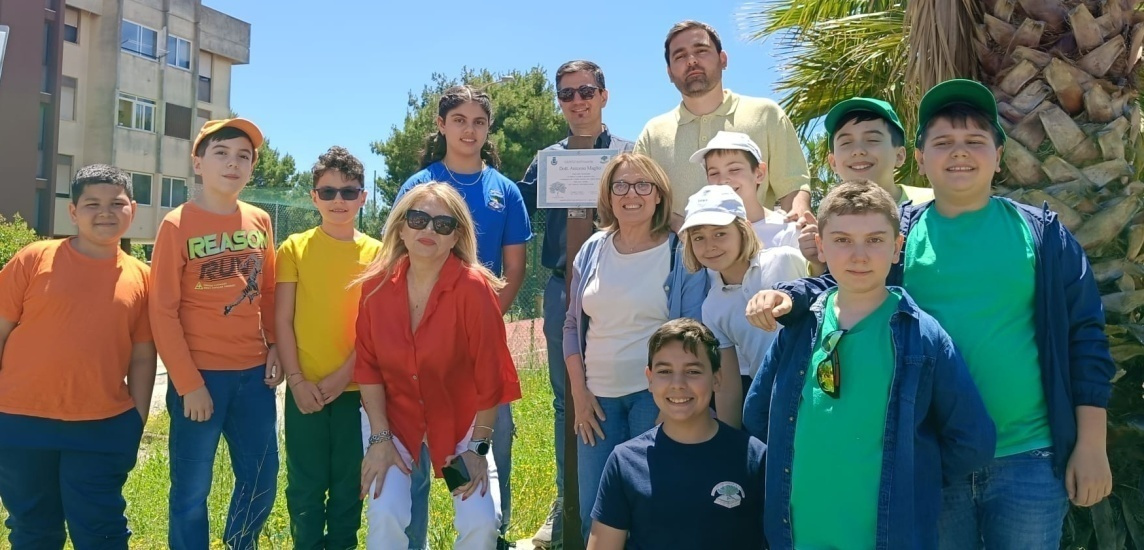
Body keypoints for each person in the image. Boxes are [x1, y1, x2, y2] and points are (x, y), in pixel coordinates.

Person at [747, 80, 1115, 548]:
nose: (958, 153)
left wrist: (1091, 443)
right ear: (920, 158)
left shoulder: (1042, 234)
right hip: (927, 457)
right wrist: (792, 296)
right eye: (942, 142)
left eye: (975, 141)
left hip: (1030, 459)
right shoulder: (901, 234)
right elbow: (848, 279)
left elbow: (1086, 338)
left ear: (998, 156)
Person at [743, 180, 994, 548]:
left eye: (875, 240)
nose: (858, 255)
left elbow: (972, 440)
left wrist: (912, 475)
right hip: (796, 536)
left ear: (897, 248)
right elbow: (758, 414)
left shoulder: (923, 336)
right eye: (842, 240)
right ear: (823, 247)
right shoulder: (799, 329)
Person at [395, 85, 531, 548]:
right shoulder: (418, 186)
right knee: (414, 447)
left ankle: (492, 534)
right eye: (459, 120)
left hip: (479, 347)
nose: (468, 130)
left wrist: (483, 326)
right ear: (441, 125)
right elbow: (397, 261)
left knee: (491, 443)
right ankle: (412, 538)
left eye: (478, 121)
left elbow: (514, 267)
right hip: (419, 351)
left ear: (488, 128)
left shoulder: (505, 190)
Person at [354, 183, 521, 550]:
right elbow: (367, 368)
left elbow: (491, 376)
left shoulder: (475, 289)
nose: (428, 230)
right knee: (385, 513)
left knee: (480, 522)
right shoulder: (374, 287)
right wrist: (379, 439)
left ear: (455, 236)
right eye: (418, 219)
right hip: (394, 421)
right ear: (401, 228)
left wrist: (477, 448)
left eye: (442, 225)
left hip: (460, 421)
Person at [0, 164, 155, 549]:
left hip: (102, 426)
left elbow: (142, 355)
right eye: (92, 203)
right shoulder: (34, 258)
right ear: (73, 212)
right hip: (21, 422)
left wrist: (136, 418)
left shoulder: (142, 277)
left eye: (116, 203)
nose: (105, 212)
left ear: (132, 209)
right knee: (33, 529)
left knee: (101, 531)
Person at [517, 59, 635, 548]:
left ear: (604, 95)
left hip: (623, 284)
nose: (577, 101)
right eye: (567, 94)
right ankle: (567, 505)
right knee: (568, 398)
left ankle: (628, 506)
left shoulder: (630, 155)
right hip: (564, 287)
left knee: (629, 393)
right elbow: (513, 213)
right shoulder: (547, 160)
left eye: (586, 90)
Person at [150, 118, 282, 549]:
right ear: (198, 163)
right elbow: (162, 312)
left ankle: (239, 543)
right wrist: (189, 385)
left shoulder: (260, 220)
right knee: (190, 491)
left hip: (253, 379)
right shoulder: (177, 224)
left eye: (244, 156)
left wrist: (276, 346)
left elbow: (268, 293)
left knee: (262, 478)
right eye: (222, 153)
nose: (233, 163)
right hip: (200, 379)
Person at [563, 152, 709, 543]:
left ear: (659, 195)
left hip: (654, 398)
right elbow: (572, 325)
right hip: (597, 402)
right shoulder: (592, 250)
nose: (632, 194)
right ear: (608, 196)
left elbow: (693, 332)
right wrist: (579, 391)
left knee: (653, 508)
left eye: (643, 185)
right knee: (598, 514)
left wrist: (673, 403)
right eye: (621, 186)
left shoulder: (681, 252)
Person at [276, 146, 381, 549]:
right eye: (329, 192)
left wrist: (347, 374)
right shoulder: (294, 249)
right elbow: (283, 320)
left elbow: (375, 330)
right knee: (304, 487)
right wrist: (298, 381)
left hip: (358, 394)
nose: (339, 200)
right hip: (305, 394)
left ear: (363, 197)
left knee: (348, 488)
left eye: (349, 192)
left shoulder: (378, 254)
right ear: (313, 196)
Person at [587, 319, 766, 549]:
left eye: (692, 371)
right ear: (649, 379)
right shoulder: (625, 462)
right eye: (665, 371)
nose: (678, 383)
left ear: (716, 378)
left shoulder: (753, 457)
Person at [636, 20, 811, 225]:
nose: (691, 60)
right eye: (680, 56)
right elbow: (643, 202)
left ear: (723, 59)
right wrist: (683, 232)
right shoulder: (653, 133)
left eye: (701, 51)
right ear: (669, 73)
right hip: (676, 253)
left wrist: (798, 227)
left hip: (757, 251)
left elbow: (793, 187)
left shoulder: (766, 114)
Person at [679, 185, 804, 427]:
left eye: (720, 234)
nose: (709, 245)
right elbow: (727, 388)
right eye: (698, 238)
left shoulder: (786, 260)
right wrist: (731, 444)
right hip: (771, 408)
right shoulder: (712, 306)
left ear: (744, 230)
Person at [689, 130, 823, 276]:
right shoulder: (705, 239)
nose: (723, 180)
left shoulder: (788, 231)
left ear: (759, 173)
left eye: (734, 169)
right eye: (714, 173)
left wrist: (818, 260)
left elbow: (814, 281)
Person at [824, 96, 934, 204]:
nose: (858, 150)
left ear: (899, 156)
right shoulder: (828, 219)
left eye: (872, 140)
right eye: (846, 142)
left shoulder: (933, 205)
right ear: (833, 162)